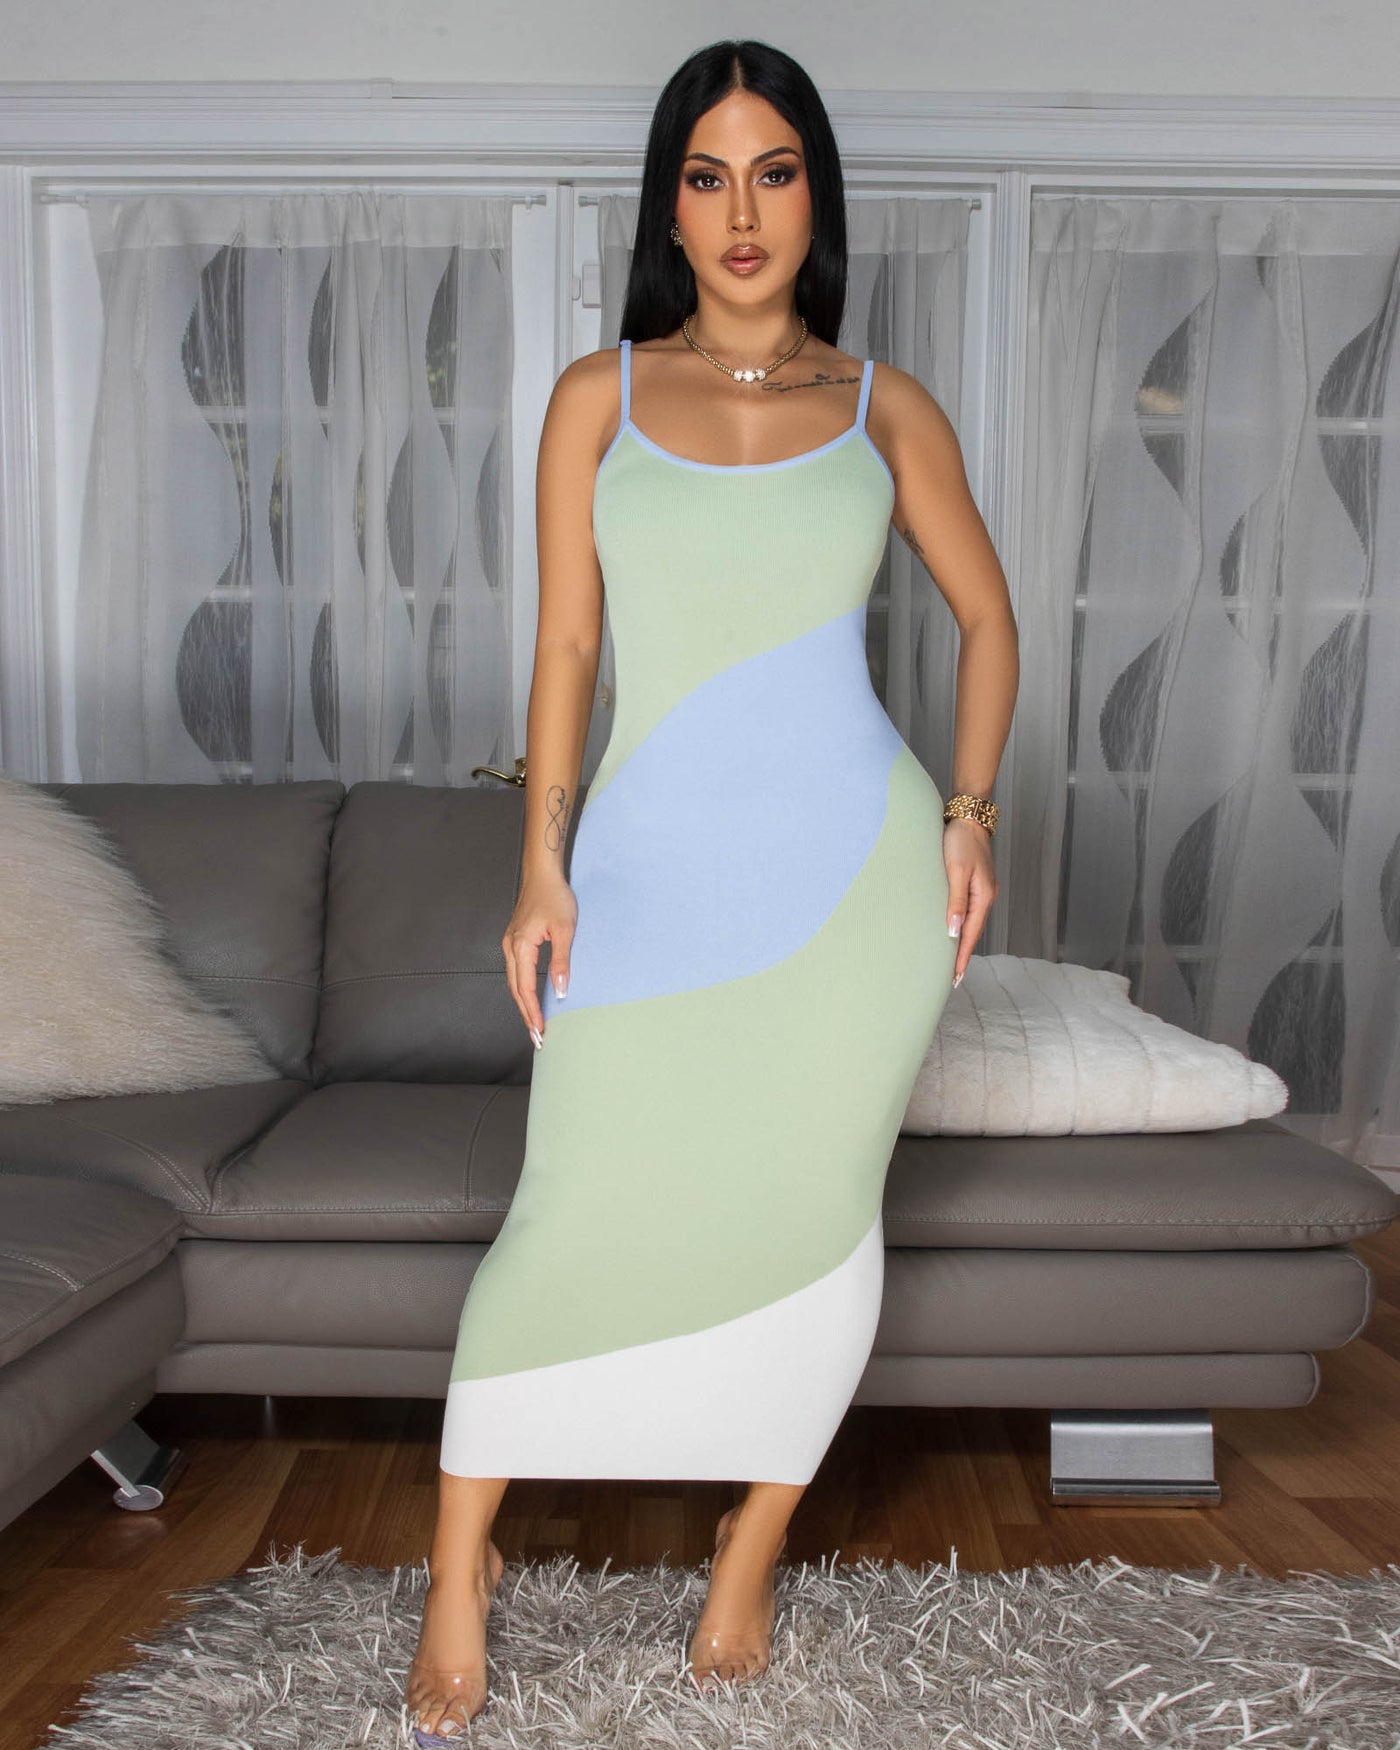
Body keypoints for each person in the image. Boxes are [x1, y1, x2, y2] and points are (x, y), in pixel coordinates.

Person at [405, 37, 1018, 1744]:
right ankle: (457, 1561)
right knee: (569, 1205)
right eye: (706, 174)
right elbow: (569, 646)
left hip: (856, 894)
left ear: (817, 196)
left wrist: (968, 815)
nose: (741, 212)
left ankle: (749, 1550)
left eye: (773, 171)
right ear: (666, 207)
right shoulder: (596, 397)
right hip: (648, 874)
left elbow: (989, 620)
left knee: (817, 1222)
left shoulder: (886, 408)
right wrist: (542, 864)